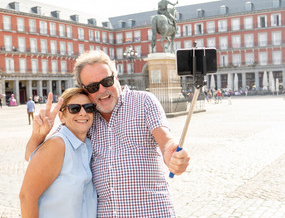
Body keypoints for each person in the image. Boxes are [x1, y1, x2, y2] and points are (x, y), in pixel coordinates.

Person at [25, 50, 190, 217]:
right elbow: (32, 156)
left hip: (151, 213)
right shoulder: (85, 116)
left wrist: (170, 153)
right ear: (85, 91)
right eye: (92, 87)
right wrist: (39, 135)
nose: (102, 90)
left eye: (107, 81)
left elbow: (164, 138)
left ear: (116, 77)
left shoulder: (144, 102)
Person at [20, 88, 97, 218]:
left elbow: (31, 155)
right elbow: (26, 197)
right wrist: (37, 135)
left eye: (89, 107)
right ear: (61, 116)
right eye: (74, 108)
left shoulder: (88, 146)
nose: (83, 113)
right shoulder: (58, 144)